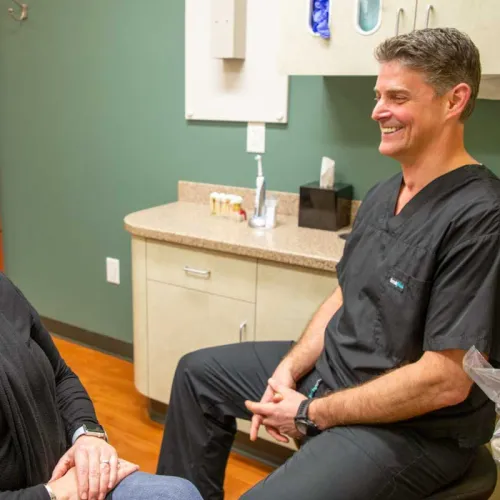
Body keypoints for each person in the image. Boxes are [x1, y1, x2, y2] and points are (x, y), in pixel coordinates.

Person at [156, 27, 500, 500]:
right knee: (197, 375)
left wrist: (309, 412)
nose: (377, 110)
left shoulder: (481, 216)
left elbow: (445, 381)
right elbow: (346, 292)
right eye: (378, 95)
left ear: (454, 100)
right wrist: (289, 369)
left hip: (415, 428)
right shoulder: (384, 194)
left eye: (397, 97)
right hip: (335, 374)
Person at [0, 272, 202, 500]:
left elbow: (60, 375)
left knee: (179, 494)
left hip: (67, 476)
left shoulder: (4, 291)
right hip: (51, 491)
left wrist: (87, 435)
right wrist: (54, 493)